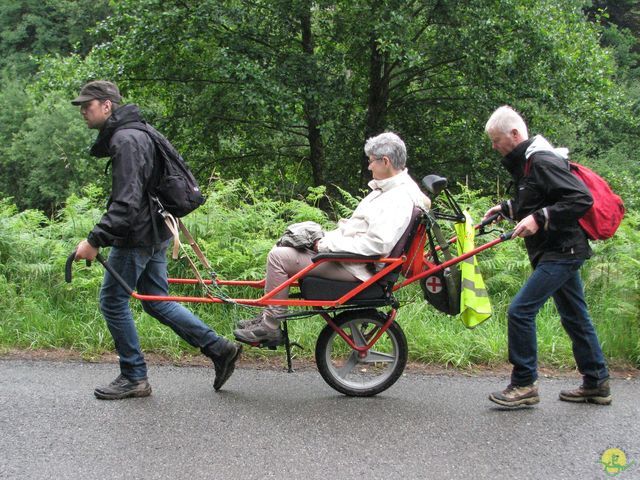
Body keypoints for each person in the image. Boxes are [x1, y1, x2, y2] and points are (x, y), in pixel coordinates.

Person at [71, 80, 241, 399]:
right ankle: (219, 349)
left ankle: (134, 376)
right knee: (157, 299)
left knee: (112, 300)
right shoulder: (139, 132)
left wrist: (95, 240)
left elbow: (126, 202)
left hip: (137, 234)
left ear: (107, 105)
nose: (83, 111)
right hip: (156, 229)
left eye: (88, 105)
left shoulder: (127, 139)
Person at [233, 132, 431, 345]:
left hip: (357, 267)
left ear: (386, 161)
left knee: (279, 257)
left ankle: (270, 327)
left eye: (371, 161)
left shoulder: (396, 199)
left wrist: (324, 245)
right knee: (289, 241)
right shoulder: (394, 190)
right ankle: (268, 316)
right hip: (351, 260)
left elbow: (376, 244)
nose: (369, 167)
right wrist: (323, 240)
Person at [483, 105, 610, 408]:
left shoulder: (541, 160)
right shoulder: (528, 164)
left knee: (520, 311)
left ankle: (524, 384)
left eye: (496, 140)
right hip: (555, 249)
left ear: (514, 134)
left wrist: (540, 218)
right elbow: (538, 197)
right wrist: (507, 209)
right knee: (574, 315)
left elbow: (580, 199)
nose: (494, 147)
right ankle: (597, 383)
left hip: (562, 250)